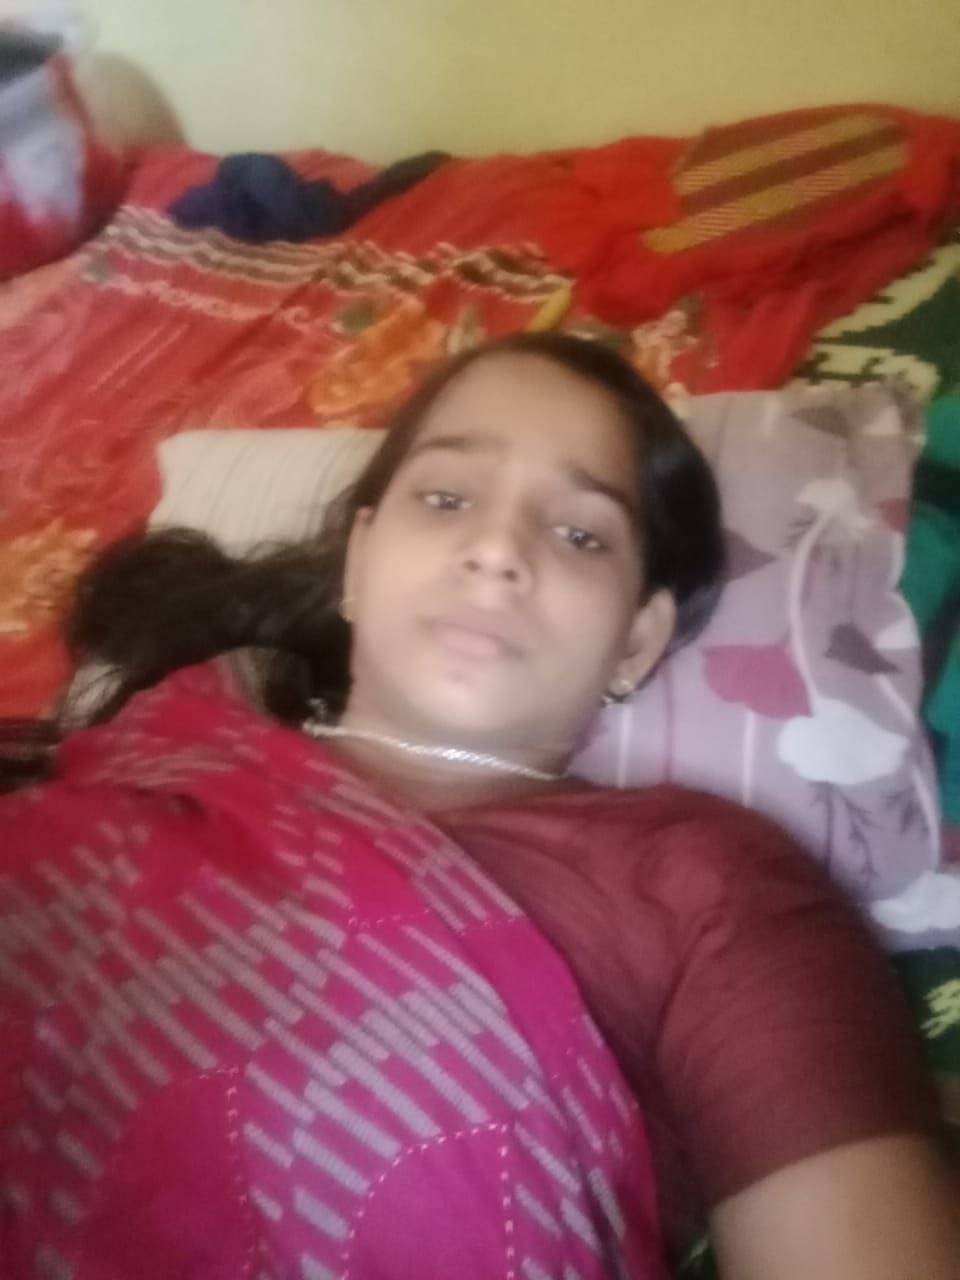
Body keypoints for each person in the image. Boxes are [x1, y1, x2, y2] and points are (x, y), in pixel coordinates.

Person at [1, 334, 957, 1279]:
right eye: (447, 499)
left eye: (580, 534)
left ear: (635, 641)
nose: (497, 550)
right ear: (358, 563)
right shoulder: (167, 747)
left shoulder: (707, 886)